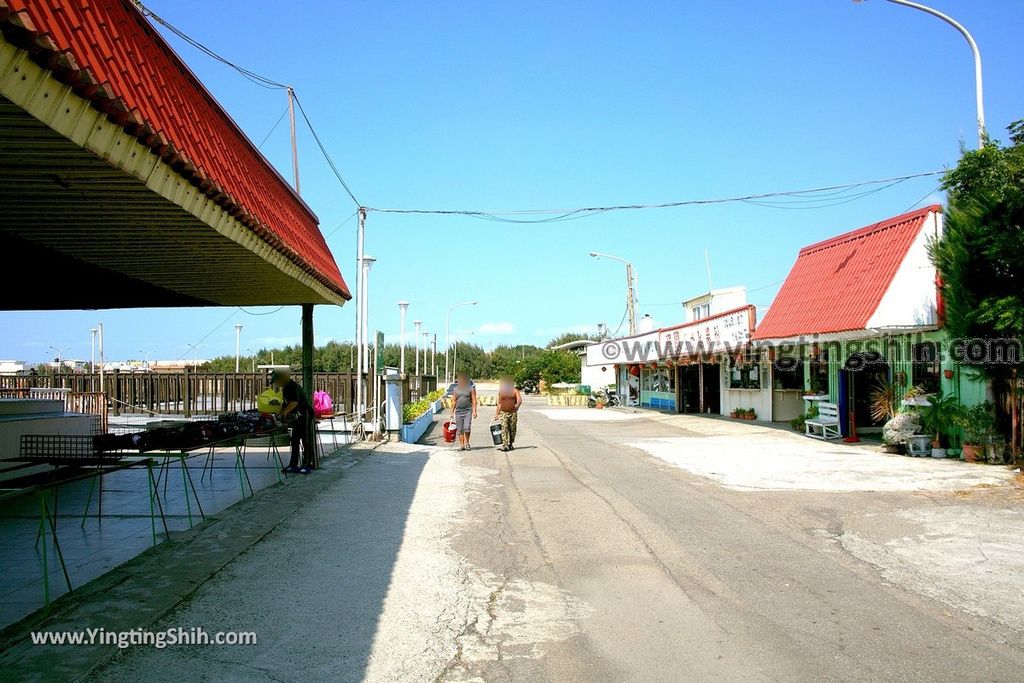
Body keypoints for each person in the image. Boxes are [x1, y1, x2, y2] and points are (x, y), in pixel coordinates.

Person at [273, 368, 313, 474]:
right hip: (297, 416)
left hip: (304, 413)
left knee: (305, 439)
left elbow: (294, 402)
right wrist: (280, 411)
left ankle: (307, 464)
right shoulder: (286, 388)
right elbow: (286, 403)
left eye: (277, 380)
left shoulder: (290, 386)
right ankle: (293, 464)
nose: (277, 383)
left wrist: (284, 413)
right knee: (294, 440)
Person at [493, 375, 522, 451]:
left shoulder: (515, 391)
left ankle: (511, 443)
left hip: (513, 412)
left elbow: (519, 400)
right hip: (504, 412)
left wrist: (517, 405)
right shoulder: (501, 392)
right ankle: (505, 444)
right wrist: (497, 414)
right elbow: (499, 403)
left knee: (512, 429)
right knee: (504, 427)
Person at [450, 372, 477, 451]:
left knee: (467, 428)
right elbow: (454, 401)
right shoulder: (455, 389)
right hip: (458, 412)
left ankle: (467, 443)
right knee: (460, 429)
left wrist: (474, 411)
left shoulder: (470, 388)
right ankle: (462, 444)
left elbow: (474, 400)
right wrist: (452, 412)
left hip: (468, 411)